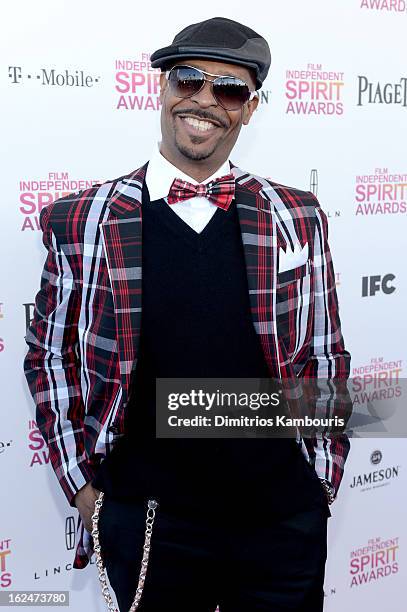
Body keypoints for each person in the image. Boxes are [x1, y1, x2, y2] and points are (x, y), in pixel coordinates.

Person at [24, 16, 351, 612]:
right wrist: (80, 480)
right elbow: (49, 356)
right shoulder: (83, 219)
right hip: (149, 519)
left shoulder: (298, 215)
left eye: (227, 88)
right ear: (163, 89)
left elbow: (326, 349)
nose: (204, 100)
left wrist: (321, 476)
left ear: (249, 109)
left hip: (284, 516)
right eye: (188, 79)